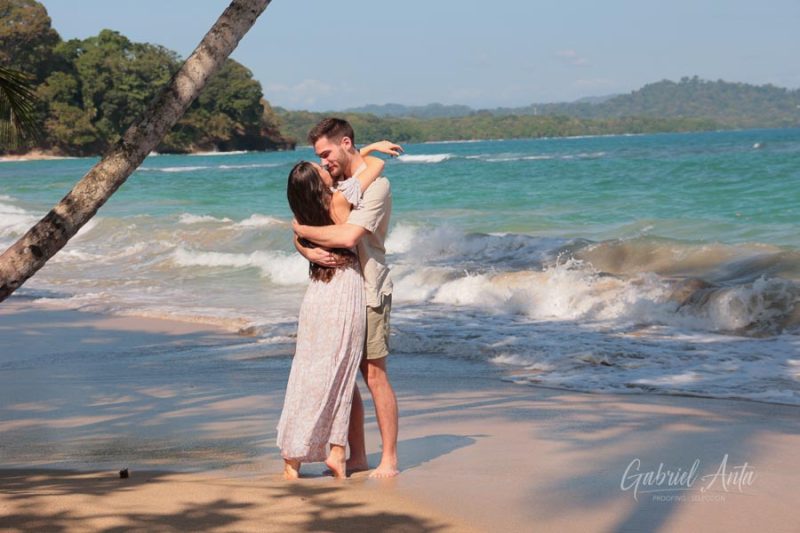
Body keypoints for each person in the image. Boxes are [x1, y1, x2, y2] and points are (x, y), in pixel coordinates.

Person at [293, 118, 400, 478]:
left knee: (374, 375)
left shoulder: (376, 187)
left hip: (369, 289)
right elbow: (312, 216)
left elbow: (347, 236)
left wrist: (301, 232)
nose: (324, 163)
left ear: (345, 142)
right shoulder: (338, 184)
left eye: (326, 154)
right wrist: (303, 248)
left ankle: (389, 459)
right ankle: (355, 457)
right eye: (319, 158)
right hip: (341, 292)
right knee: (344, 377)